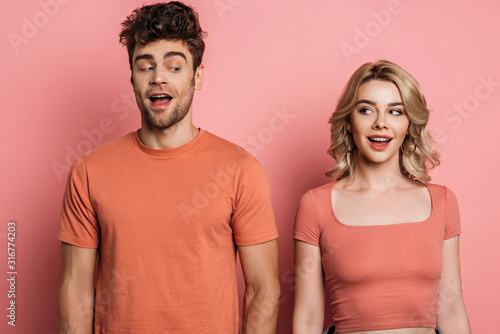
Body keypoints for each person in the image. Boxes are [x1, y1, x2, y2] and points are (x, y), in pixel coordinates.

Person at [57, 2, 280, 333]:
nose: (158, 78)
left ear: (198, 76)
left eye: (175, 67)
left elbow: (264, 290)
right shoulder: (89, 171)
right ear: (132, 77)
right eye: (145, 67)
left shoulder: (241, 171)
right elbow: (75, 289)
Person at [292, 60, 471, 334]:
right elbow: (307, 317)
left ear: (410, 124)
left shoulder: (443, 202)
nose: (380, 123)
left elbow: (451, 309)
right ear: (349, 122)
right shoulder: (316, 205)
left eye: (395, 112)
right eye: (366, 110)